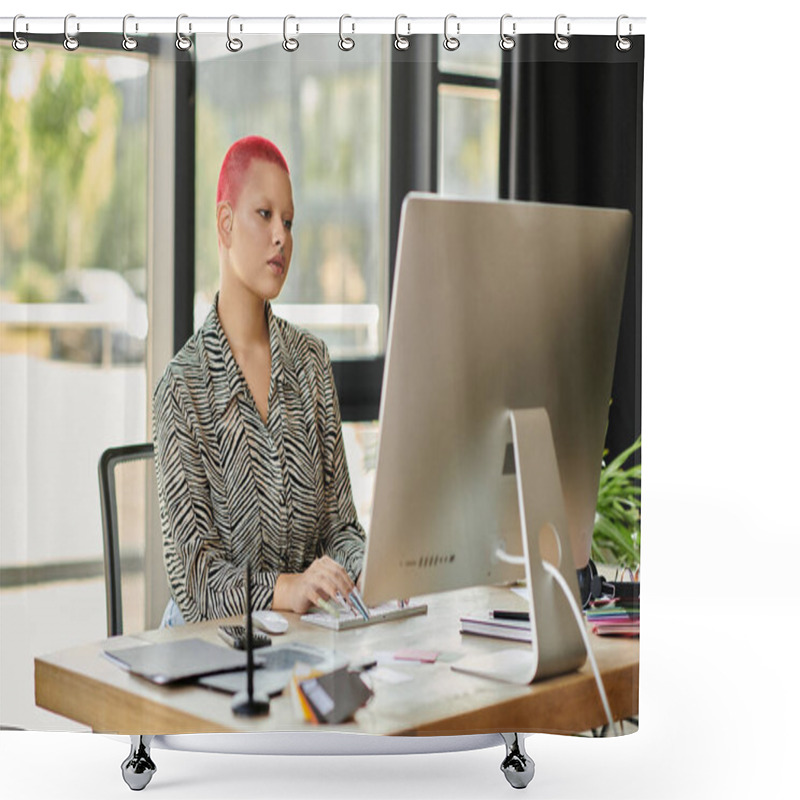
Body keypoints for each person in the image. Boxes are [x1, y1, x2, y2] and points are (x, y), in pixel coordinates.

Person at [153, 135, 365, 625]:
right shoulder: (181, 389)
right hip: (211, 647)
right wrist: (288, 588)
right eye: (264, 215)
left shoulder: (312, 363)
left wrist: (365, 572)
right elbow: (196, 582)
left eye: (289, 222)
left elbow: (342, 529)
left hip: (305, 636)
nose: (281, 237)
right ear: (225, 224)